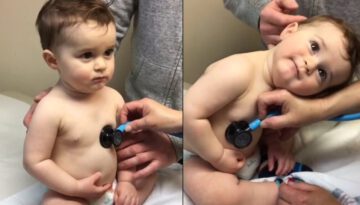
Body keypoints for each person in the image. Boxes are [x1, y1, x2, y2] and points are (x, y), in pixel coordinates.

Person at [184, 15, 360, 205]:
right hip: (203, 156)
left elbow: (269, 124)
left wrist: (277, 146)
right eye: (314, 47)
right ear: (289, 30)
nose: (310, 64)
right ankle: (277, 190)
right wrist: (217, 156)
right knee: (219, 196)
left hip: (246, 159)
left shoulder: (284, 94)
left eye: (322, 73)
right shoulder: (238, 71)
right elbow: (190, 114)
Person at [23, 0, 183, 181]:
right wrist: (74, 188)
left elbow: (124, 145)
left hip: (112, 185)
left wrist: (125, 182)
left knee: (147, 178)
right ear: (53, 61)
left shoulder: (114, 98)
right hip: (71, 191)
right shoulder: (49, 109)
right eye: (87, 55)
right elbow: (34, 161)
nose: (101, 65)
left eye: (108, 52)